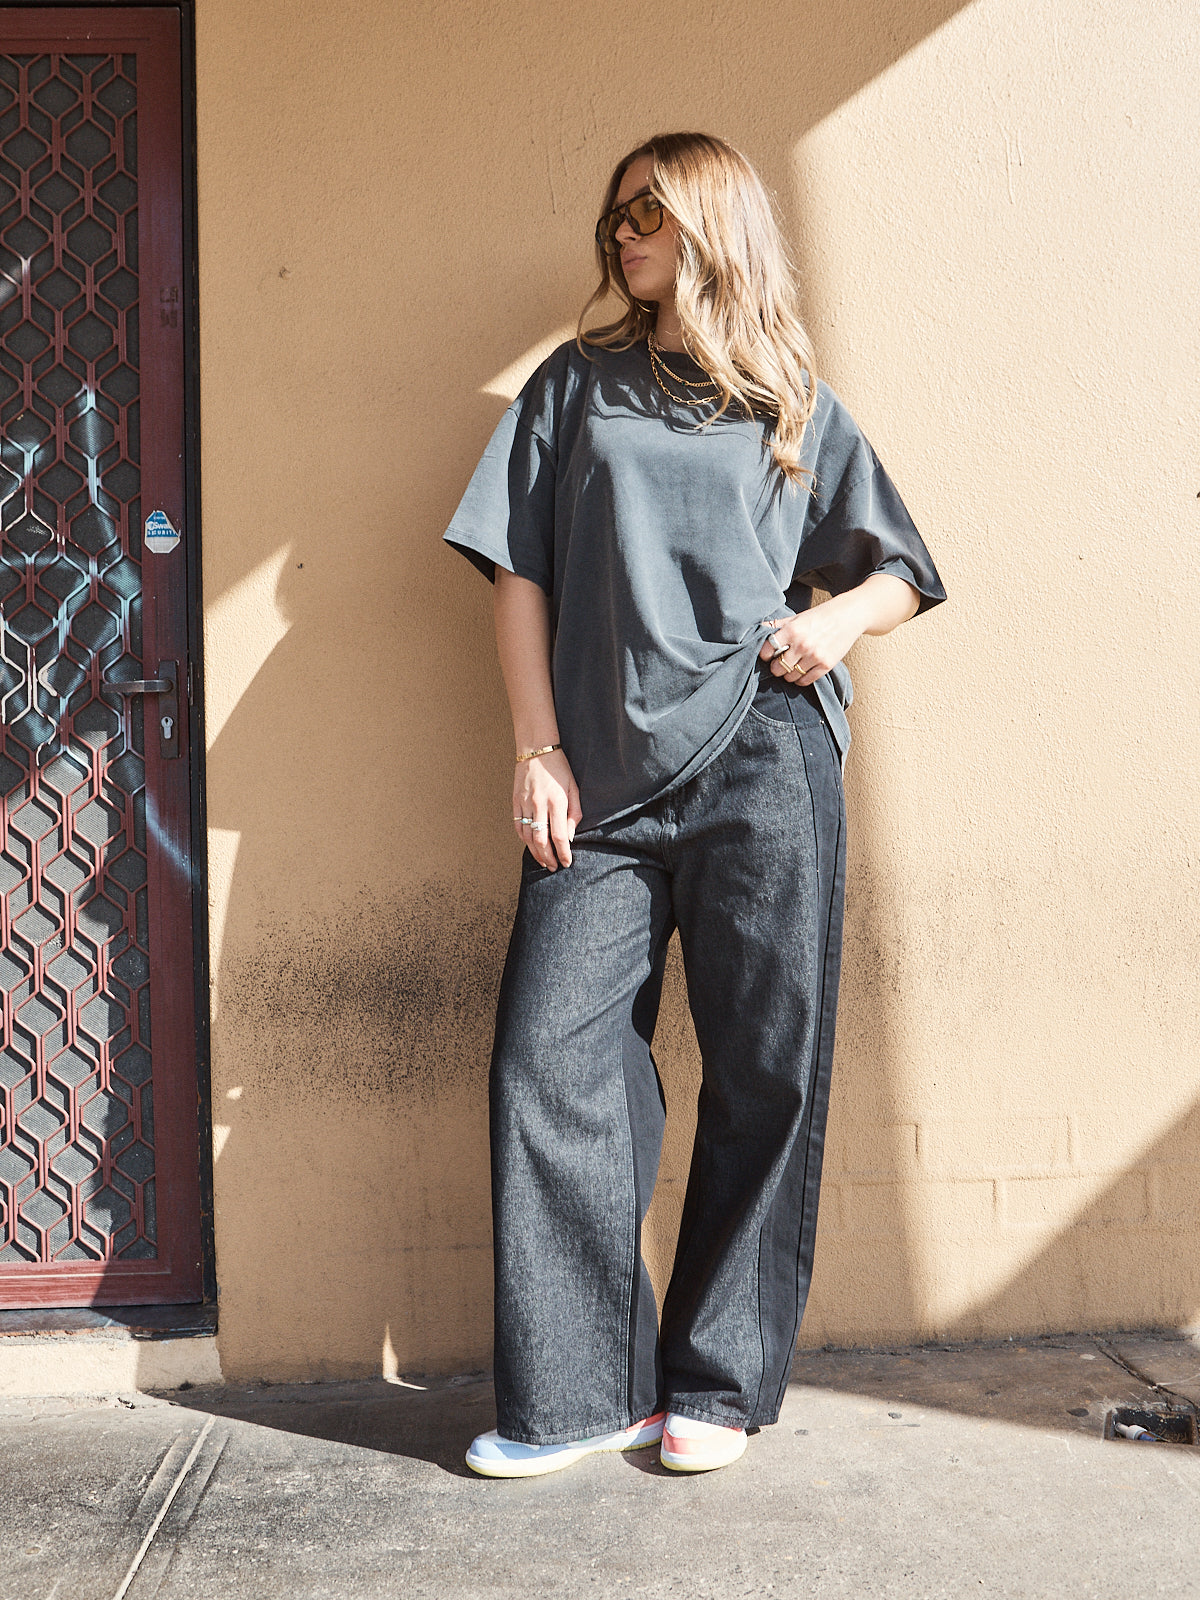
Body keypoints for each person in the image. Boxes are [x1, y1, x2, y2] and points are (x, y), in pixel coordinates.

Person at [443, 131, 945, 1478]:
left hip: (767, 767)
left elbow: (901, 572)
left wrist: (832, 627)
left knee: (765, 1072)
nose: (622, 233)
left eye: (648, 211)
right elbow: (517, 575)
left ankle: (714, 1386)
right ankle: (574, 1392)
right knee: (549, 1058)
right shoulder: (573, 387)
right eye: (614, 214)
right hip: (598, 784)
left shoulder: (791, 400)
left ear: (713, 221)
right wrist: (537, 749)